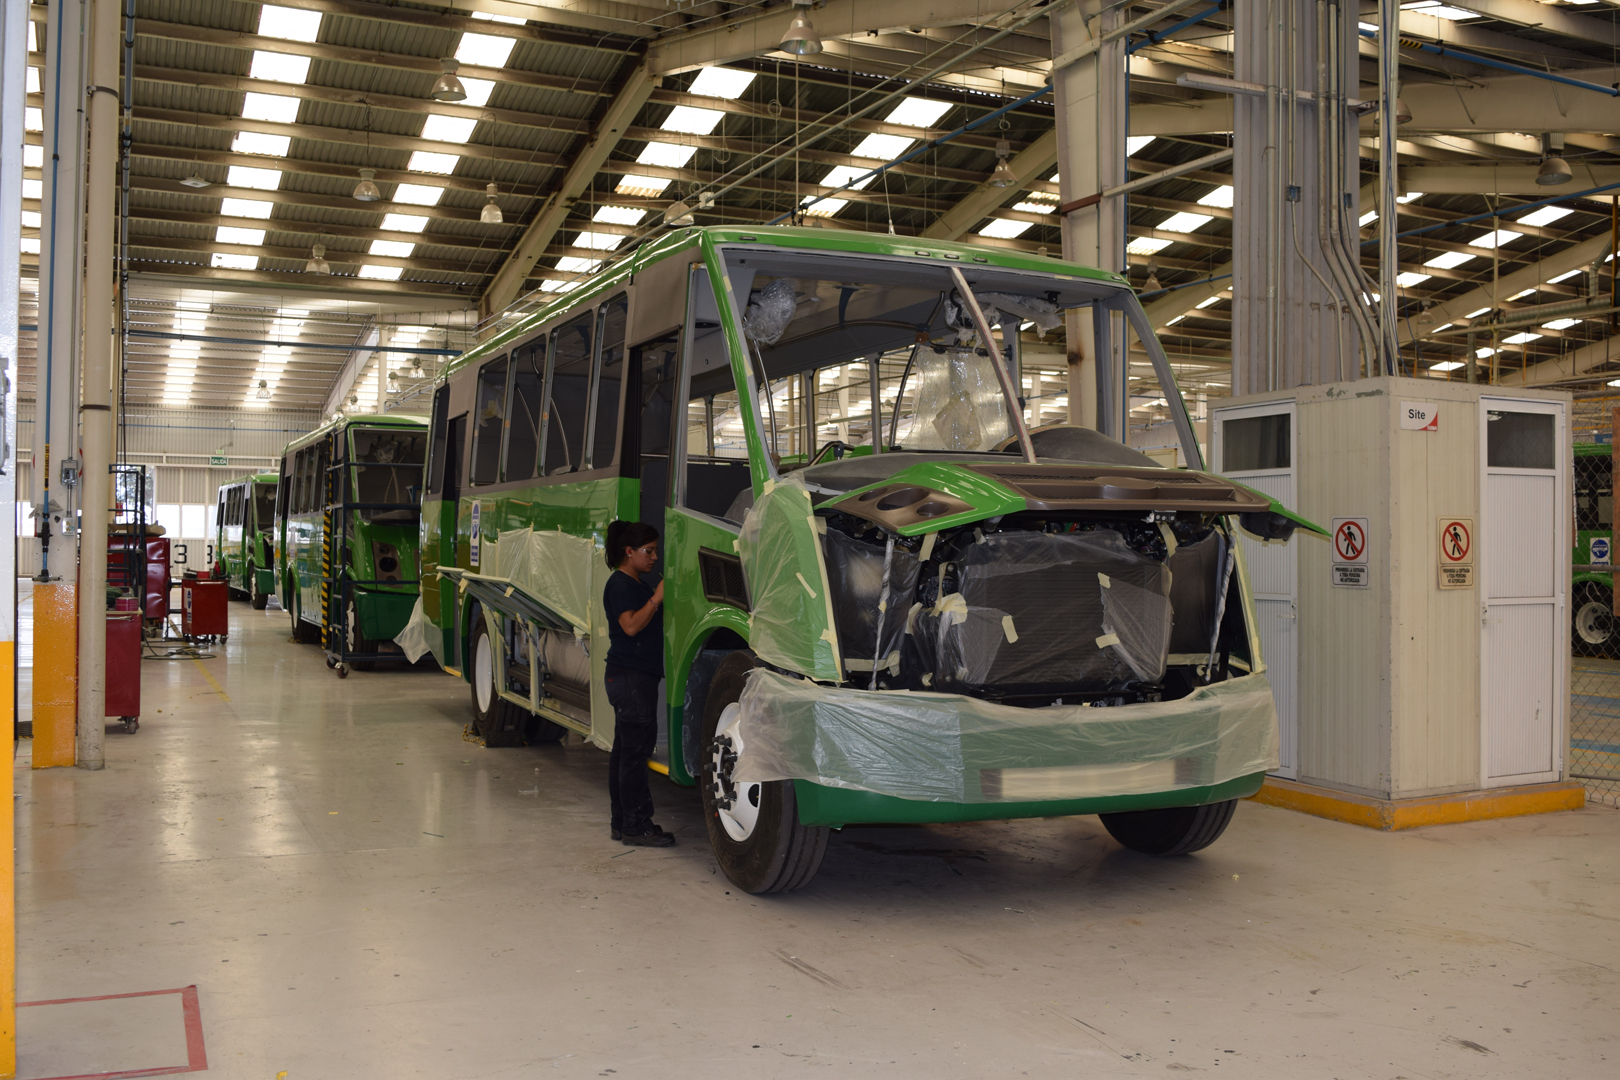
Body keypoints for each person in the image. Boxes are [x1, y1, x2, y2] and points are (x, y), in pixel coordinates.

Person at [602, 520, 675, 847]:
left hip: (631, 677)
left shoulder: (634, 584)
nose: (654, 557)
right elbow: (630, 626)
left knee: (625, 752)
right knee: (634, 754)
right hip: (630, 678)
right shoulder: (620, 585)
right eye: (649, 551)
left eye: (656, 551)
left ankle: (622, 822)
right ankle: (636, 825)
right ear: (629, 551)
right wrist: (657, 598)